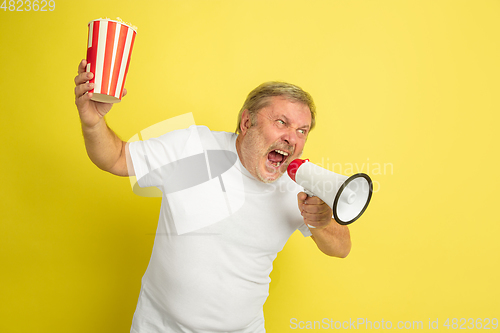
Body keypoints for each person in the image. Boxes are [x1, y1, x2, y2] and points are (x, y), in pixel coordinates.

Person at [74, 59, 351, 333]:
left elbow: (342, 248)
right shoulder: (193, 147)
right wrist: (92, 122)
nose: (293, 138)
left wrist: (321, 221)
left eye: (302, 131)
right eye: (282, 122)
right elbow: (116, 158)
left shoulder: (298, 186)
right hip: (159, 326)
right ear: (246, 122)